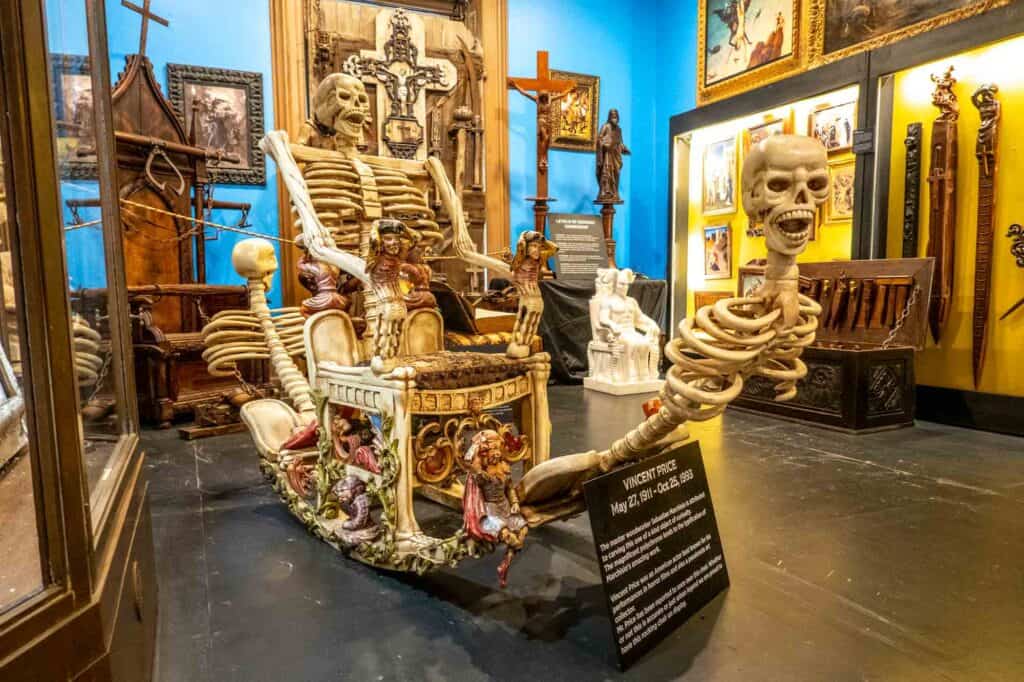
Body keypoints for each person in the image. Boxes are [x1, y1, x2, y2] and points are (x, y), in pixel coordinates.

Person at [595, 109, 630, 202]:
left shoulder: (619, 130)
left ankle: (614, 192)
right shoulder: (605, 127)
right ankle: (605, 192)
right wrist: (604, 144)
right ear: (609, 117)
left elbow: (620, 142)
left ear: (618, 117)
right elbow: (599, 139)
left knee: (616, 173)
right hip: (607, 154)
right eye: (612, 116)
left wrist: (624, 148)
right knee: (606, 172)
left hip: (616, 155)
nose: (614, 118)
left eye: (615, 116)